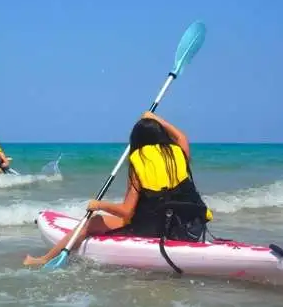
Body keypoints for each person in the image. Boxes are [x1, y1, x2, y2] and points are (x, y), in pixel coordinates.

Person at [23, 111, 213, 266]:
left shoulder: (139, 161)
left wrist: (99, 205)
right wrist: (156, 119)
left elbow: (126, 211)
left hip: (154, 228)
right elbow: (181, 136)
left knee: (91, 223)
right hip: (187, 225)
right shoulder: (179, 153)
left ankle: (43, 259)